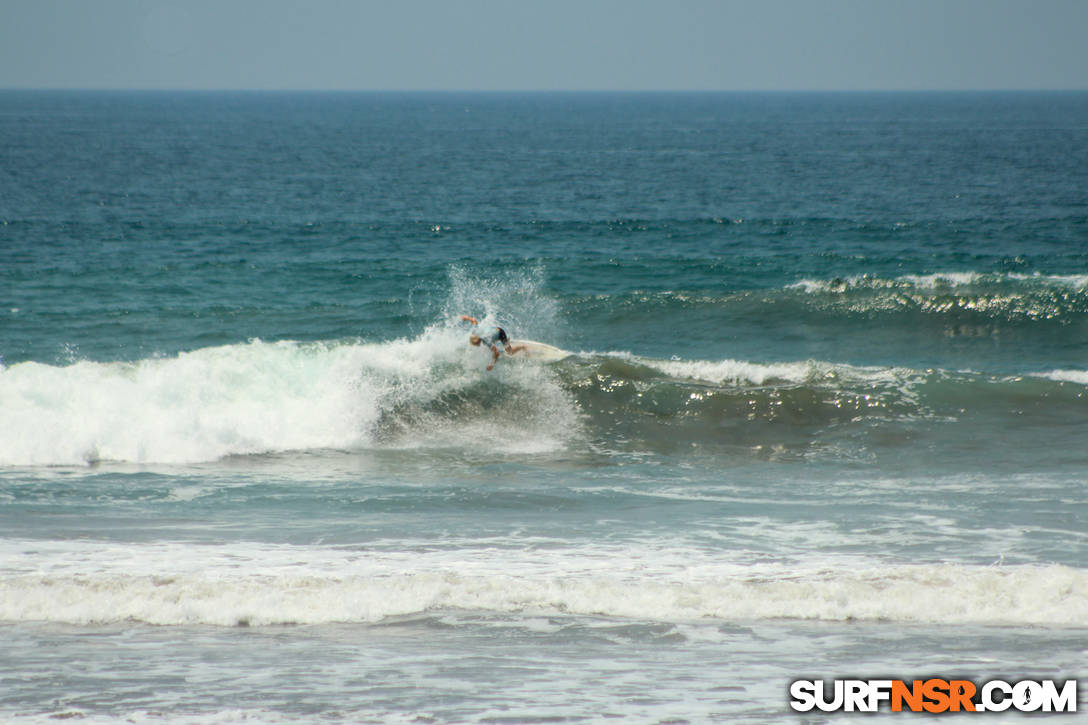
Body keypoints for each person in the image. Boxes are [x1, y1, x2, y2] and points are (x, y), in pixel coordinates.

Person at [461, 315, 527, 370]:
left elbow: (497, 353)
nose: (476, 345)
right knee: (493, 345)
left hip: (500, 333)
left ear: (478, 341)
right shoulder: (475, 332)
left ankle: (522, 347)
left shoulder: (486, 341)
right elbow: (474, 320)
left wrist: (492, 364)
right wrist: (466, 318)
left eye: (476, 344)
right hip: (493, 329)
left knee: (509, 352)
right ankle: (506, 342)